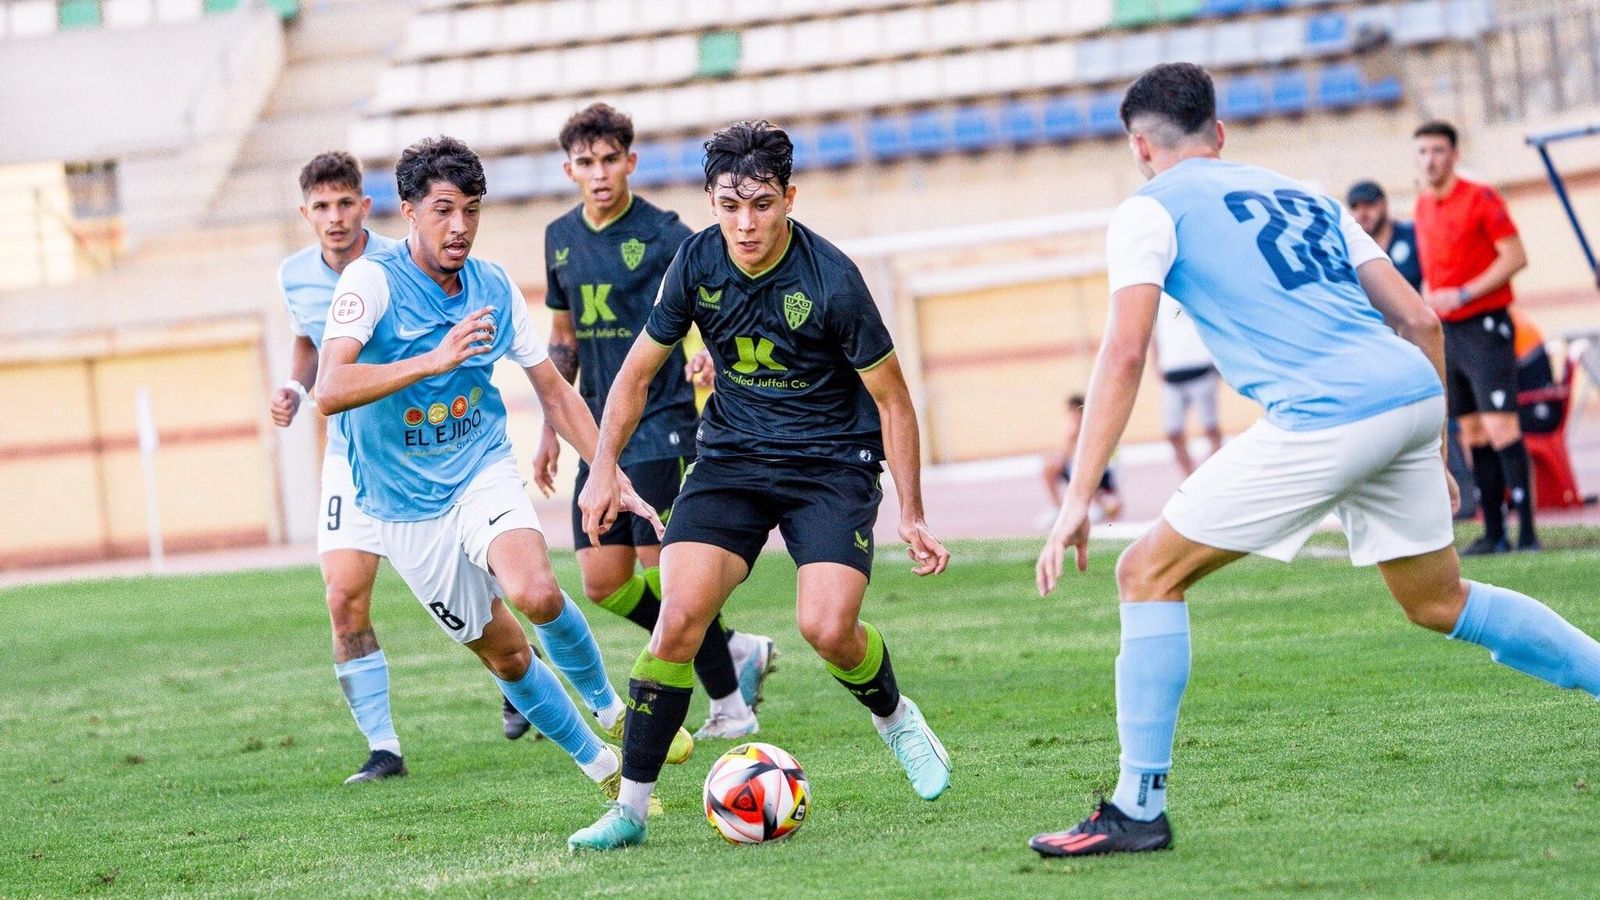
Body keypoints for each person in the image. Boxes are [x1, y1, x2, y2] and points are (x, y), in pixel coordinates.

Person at [1030, 63, 1600, 858]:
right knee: (1438, 601)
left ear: (1140, 148)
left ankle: (1137, 808)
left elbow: (1125, 355)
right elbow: (1422, 320)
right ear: (1220, 135)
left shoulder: (1147, 208)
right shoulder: (1310, 195)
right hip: (1407, 397)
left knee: (1146, 574)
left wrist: (1077, 498)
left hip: (1328, 415)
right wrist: (1435, 451)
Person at [567, 121, 953, 852]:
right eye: (729, 205)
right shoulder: (694, 261)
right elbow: (637, 372)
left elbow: (895, 401)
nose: (745, 224)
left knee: (827, 629)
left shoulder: (832, 279)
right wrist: (603, 467)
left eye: (763, 205)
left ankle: (896, 718)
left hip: (831, 465)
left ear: (789, 199)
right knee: (677, 616)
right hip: (733, 460)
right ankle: (631, 811)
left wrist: (913, 514)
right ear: (711, 201)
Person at [316, 136, 692, 809]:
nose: (459, 227)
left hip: (479, 469)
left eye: (471, 210)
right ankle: (599, 763)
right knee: (508, 655)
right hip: (402, 509)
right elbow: (330, 387)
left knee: (538, 591)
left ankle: (611, 707)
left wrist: (608, 468)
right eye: (443, 211)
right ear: (407, 211)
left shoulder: (490, 284)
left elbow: (554, 390)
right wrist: (431, 360)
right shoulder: (368, 283)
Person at [273, 151, 518, 784]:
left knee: (482, 584)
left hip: (423, 454)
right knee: (343, 598)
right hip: (347, 465)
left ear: (369, 205)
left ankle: (519, 677)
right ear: (306, 214)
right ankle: (384, 748)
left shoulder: (401, 259)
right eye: (321, 207)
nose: (335, 217)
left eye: (345, 202)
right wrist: (295, 392)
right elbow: (309, 344)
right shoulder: (293, 276)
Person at [535, 103, 776, 740]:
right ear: (569, 170)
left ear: (630, 162)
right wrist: (548, 431)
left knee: (665, 572)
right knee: (603, 582)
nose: (600, 172)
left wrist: (707, 358)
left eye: (611, 159)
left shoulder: (666, 233)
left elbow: (711, 305)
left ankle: (729, 704)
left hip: (664, 419)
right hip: (600, 431)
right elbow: (563, 342)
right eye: (586, 163)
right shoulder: (559, 237)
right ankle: (733, 647)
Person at [1413, 121, 1538, 553]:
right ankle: (1494, 531)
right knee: (1471, 432)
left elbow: (1516, 256)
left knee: (1501, 426)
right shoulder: (1423, 207)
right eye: (1423, 152)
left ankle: (1527, 534)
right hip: (1450, 332)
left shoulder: (1480, 197)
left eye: (1438, 151)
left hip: (1485, 325)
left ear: (1455, 154)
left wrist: (1464, 292)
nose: (1430, 160)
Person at [1348, 178, 1477, 519]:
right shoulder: (1352, 246)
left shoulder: (1411, 237)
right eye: (1357, 207)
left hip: (1423, 339)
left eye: (1370, 205)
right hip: (1381, 349)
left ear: (1384, 205)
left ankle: (1462, 493)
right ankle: (1402, 502)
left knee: (1444, 417)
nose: (1364, 213)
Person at [1152, 293, 1222, 475]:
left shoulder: (1195, 290)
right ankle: (1189, 479)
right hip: (1171, 374)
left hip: (1201, 368)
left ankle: (1215, 476)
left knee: (1210, 428)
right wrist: (1156, 365)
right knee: (1173, 433)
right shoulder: (1157, 295)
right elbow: (1153, 334)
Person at [1042, 394, 1123, 519]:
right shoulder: (1072, 431)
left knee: (1113, 506)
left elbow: (1108, 455)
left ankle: (1098, 504)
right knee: (1050, 467)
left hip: (1102, 470)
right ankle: (1058, 509)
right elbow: (1064, 455)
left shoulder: (1095, 427)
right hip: (1079, 469)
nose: (1072, 417)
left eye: (1074, 413)